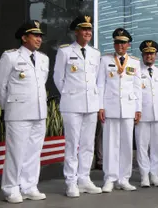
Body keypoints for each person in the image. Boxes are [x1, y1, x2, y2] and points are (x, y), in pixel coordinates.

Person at [0, 20, 48, 203]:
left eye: (40, 36)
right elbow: (0, 85)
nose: (39, 39)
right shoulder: (10, 57)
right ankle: (11, 188)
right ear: (24, 37)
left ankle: (29, 185)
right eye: (35, 35)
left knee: (34, 151)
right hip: (18, 112)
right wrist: (9, 107)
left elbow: (41, 84)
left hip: (39, 112)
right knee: (16, 152)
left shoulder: (43, 58)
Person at [53, 15, 102, 197]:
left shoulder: (95, 53)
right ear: (77, 32)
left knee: (88, 144)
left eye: (89, 29)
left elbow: (96, 78)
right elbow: (58, 78)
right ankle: (71, 182)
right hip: (72, 103)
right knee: (72, 144)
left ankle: (84, 179)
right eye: (84, 29)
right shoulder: (65, 51)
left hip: (91, 104)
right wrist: (69, 93)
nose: (88, 32)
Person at [97, 28, 142, 192]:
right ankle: (109, 178)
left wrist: (138, 108)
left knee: (126, 144)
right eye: (117, 42)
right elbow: (100, 84)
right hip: (110, 107)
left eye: (123, 42)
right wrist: (100, 106)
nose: (120, 45)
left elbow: (138, 88)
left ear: (128, 44)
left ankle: (124, 178)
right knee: (110, 143)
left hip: (129, 108)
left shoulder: (135, 62)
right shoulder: (105, 60)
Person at [135, 40, 158, 187]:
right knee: (142, 146)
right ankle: (144, 176)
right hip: (142, 114)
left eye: (152, 53)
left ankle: (155, 174)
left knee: (157, 146)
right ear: (142, 55)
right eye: (146, 53)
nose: (149, 56)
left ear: (156, 55)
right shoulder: (136, 71)